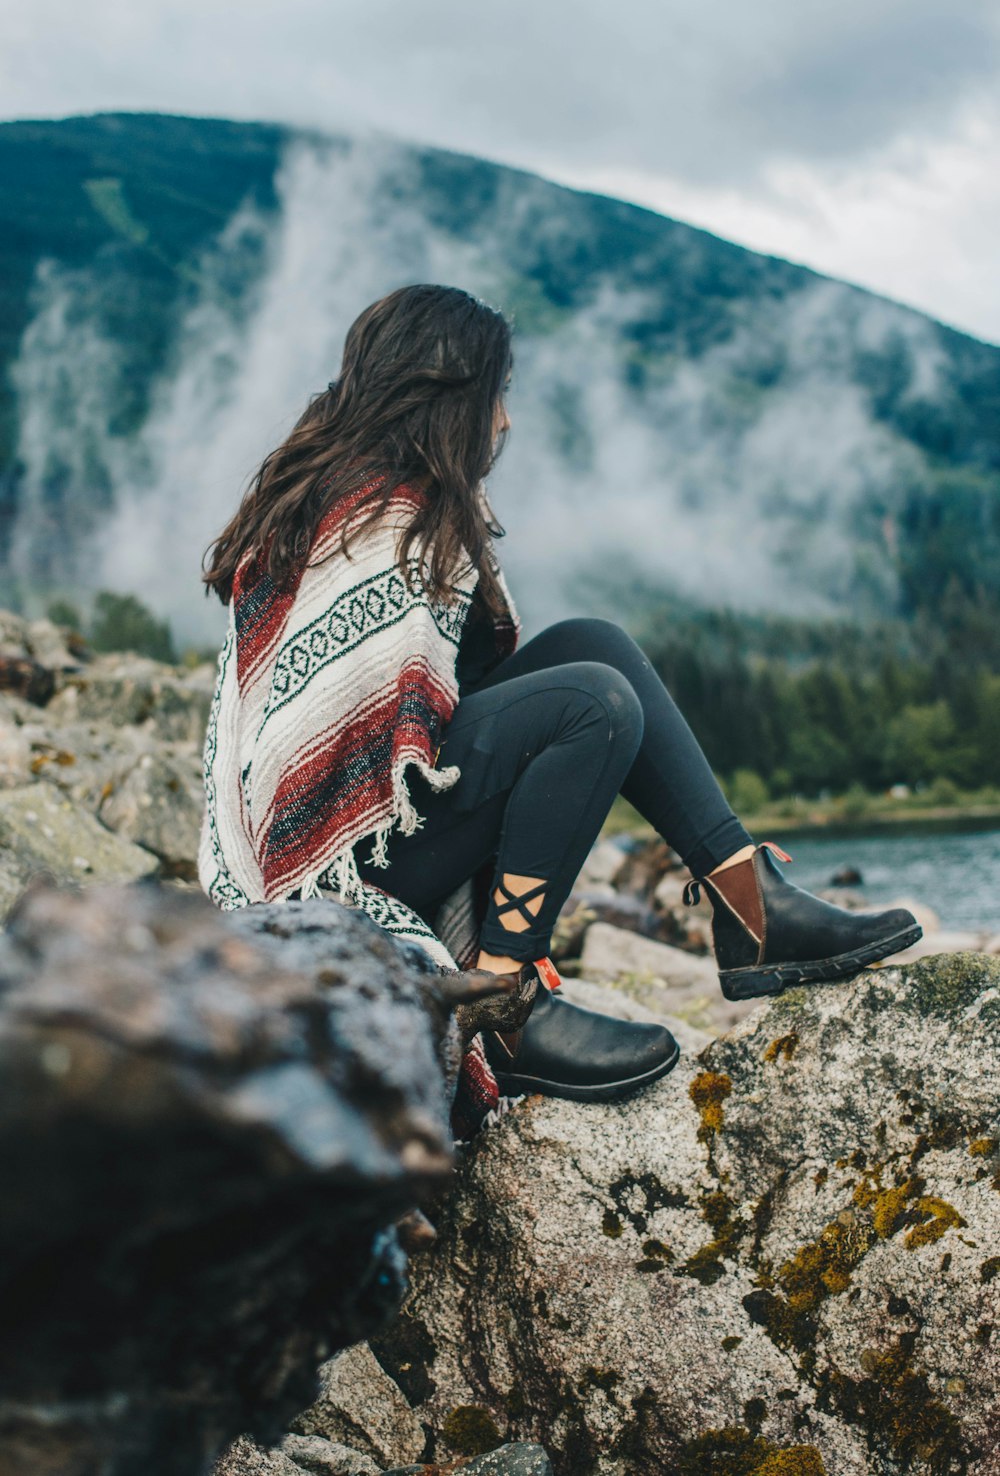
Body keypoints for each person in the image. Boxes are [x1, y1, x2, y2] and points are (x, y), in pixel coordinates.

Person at [198, 284, 921, 1127]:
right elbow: (335, 757)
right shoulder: (376, 512)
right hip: (324, 870)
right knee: (592, 705)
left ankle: (750, 906)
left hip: (369, 833)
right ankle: (506, 1002)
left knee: (595, 643)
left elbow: (422, 711)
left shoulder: (361, 491)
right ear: (450, 394)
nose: (504, 423)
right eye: (496, 395)